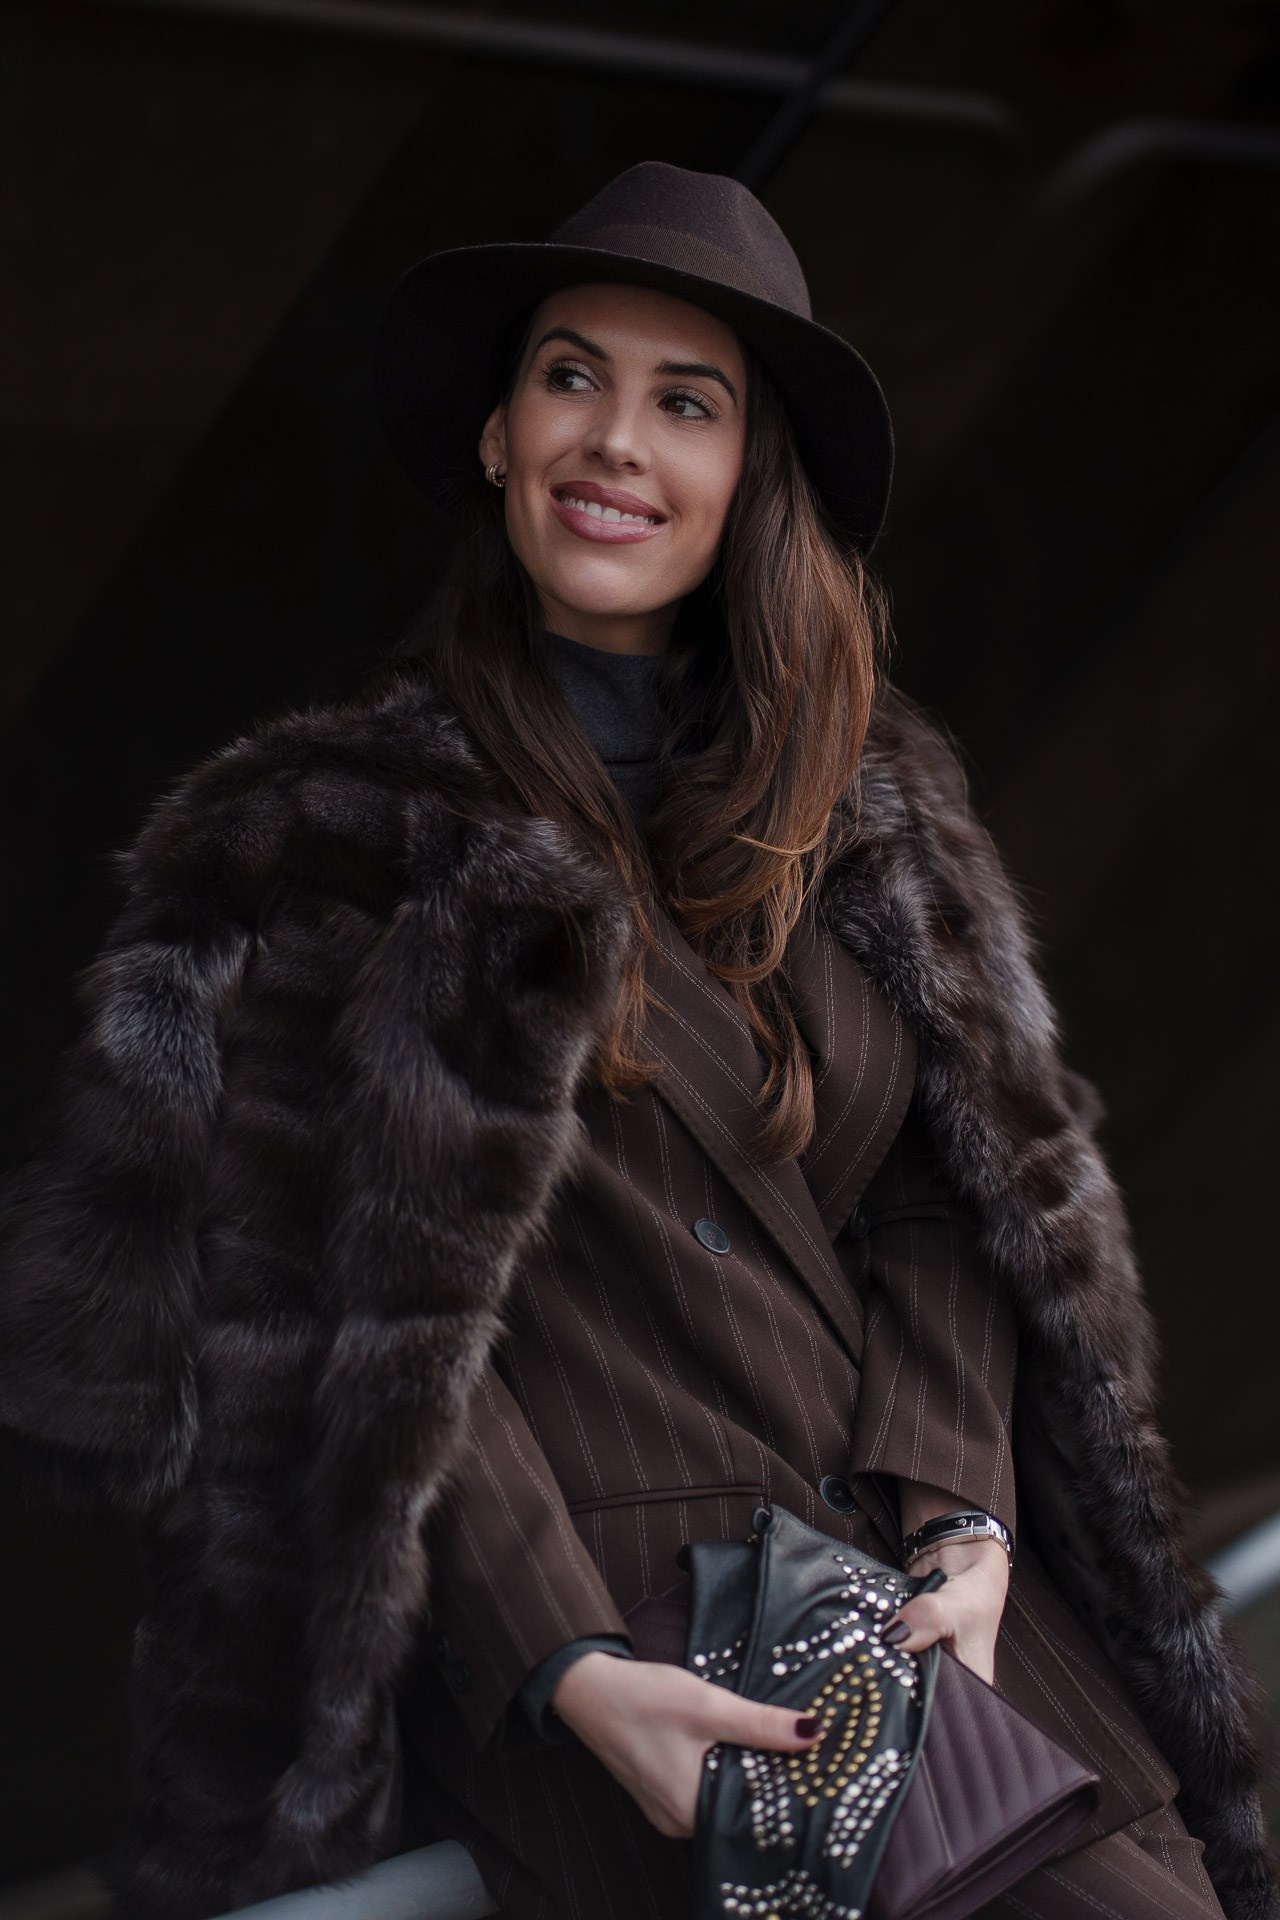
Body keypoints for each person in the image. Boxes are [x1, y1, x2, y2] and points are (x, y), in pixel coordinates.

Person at [0, 164, 1271, 1920]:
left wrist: (963, 1523)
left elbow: (946, 1201)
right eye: (570, 377)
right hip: (631, 1657)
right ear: (497, 438)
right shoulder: (335, 835)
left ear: (748, 475)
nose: (615, 441)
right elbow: (350, 1332)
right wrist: (570, 1667)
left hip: (938, 1624)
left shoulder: (861, 801)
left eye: (688, 403)